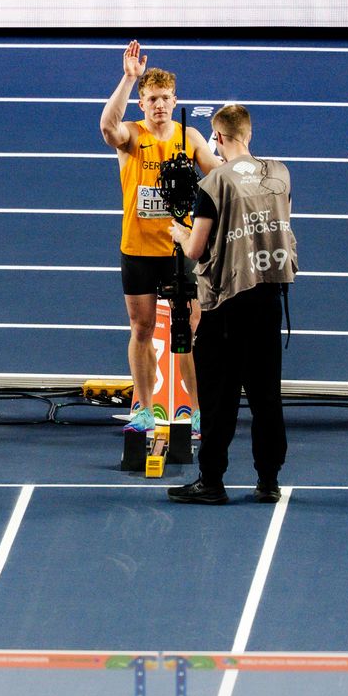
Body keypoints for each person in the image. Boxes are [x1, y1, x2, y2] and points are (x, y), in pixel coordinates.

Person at [167, 105, 295, 505]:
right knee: (265, 396)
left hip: (226, 307)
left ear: (216, 138)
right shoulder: (279, 172)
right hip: (270, 297)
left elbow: (197, 248)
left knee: (218, 398)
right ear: (249, 133)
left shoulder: (213, 183)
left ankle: (211, 481)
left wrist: (178, 231)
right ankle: (268, 479)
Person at [101, 42, 219, 433]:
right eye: (151, 99)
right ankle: (145, 408)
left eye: (165, 99)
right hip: (137, 249)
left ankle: (198, 409)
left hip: (182, 250)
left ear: (175, 100)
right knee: (142, 329)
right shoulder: (131, 136)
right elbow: (106, 126)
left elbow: (220, 180)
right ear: (141, 103)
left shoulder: (191, 137)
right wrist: (128, 77)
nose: (159, 106)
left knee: (190, 330)